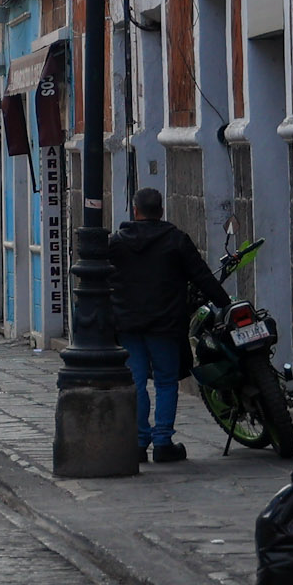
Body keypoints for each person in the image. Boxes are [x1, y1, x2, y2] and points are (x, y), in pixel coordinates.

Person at [108, 186, 227, 463]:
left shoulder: (117, 243)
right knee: (165, 381)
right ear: (161, 211)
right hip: (165, 324)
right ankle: (163, 441)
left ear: (135, 211)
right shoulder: (175, 240)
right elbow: (202, 277)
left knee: (135, 381)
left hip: (128, 324)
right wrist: (224, 303)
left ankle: (139, 443)